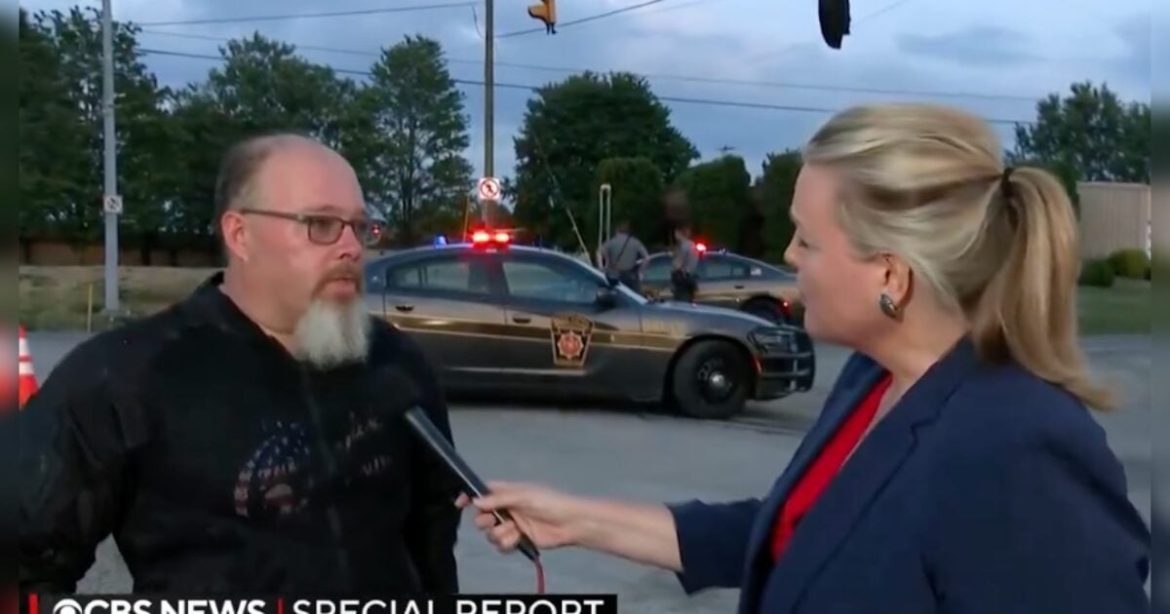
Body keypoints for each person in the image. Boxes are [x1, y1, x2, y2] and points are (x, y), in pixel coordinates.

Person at [458, 103, 1151, 613]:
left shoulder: (1023, 450)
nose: (787, 256)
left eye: (807, 240)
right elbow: (792, 534)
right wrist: (576, 520)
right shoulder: (871, 380)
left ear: (890, 274)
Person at [12, 133, 463, 594]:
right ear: (240, 234)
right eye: (322, 224)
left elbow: (433, 542)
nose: (352, 247)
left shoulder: (396, 362)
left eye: (360, 226)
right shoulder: (128, 374)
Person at [596, 220, 649, 293]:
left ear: (618, 231)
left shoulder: (612, 241)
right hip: (630, 276)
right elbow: (647, 258)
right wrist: (640, 272)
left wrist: (602, 266)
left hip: (613, 275)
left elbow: (599, 252)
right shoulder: (636, 242)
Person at [669, 225, 699, 302]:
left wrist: (673, 258)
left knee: (681, 305)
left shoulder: (683, 246)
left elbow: (677, 265)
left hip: (681, 282)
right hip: (690, 280)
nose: (675, 235)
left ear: (679, 233)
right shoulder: (692, 245)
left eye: (675, 233)